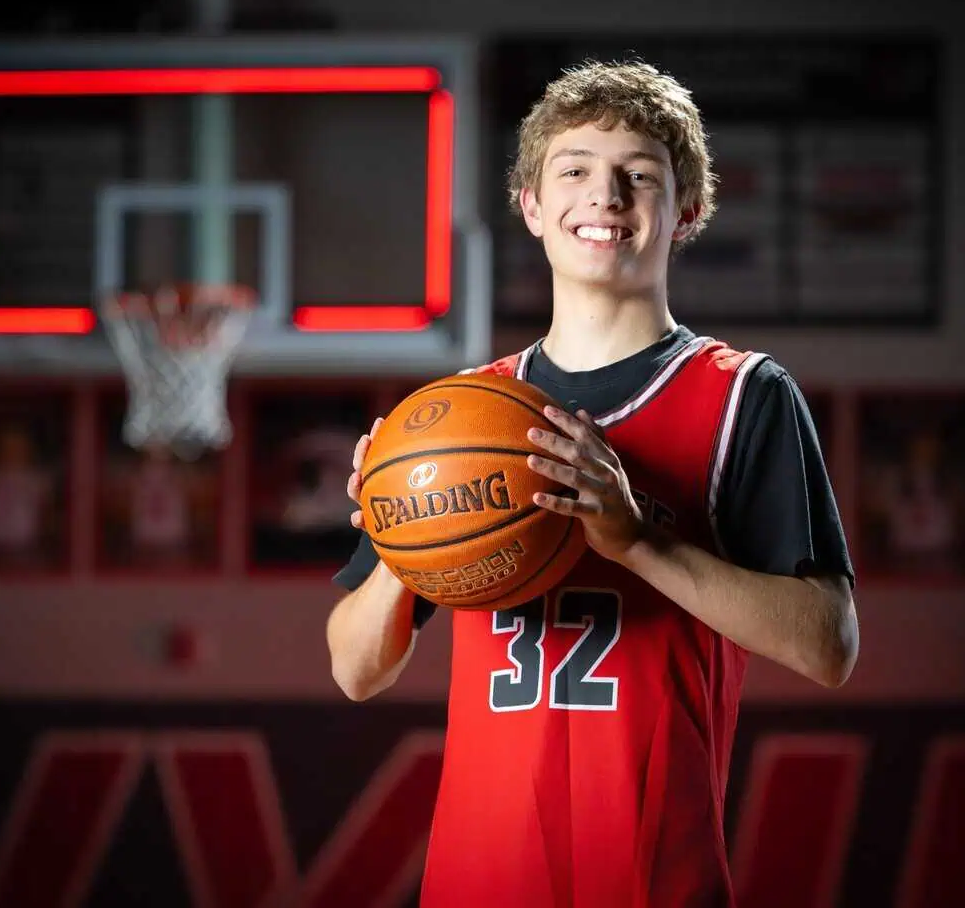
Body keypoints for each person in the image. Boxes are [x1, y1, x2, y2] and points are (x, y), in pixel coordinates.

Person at [325, 59, 859, 908]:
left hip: (655, 878)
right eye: (573, 171)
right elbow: (356, 670)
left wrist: (639, 542)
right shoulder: (456, 417)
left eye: (638, 175)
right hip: (478, 882)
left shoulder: (744, 395)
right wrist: (406, 533)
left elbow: (829, 646)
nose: (604, 196)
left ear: (686, 211)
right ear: (532, 205)